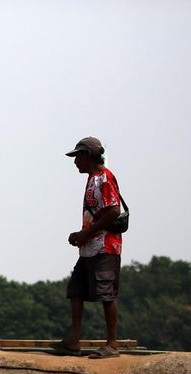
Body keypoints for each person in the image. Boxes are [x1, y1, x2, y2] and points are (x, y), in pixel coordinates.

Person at [51, 136, 126, 359]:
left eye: (78, 156)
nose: (75, 162)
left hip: (105, 246)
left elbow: (113, 210)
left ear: (88, 156)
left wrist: (86, 233)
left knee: (107, 294)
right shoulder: (93, 178)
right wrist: (82, 235)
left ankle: (112, 344)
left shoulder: (104, 178)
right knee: (76, 290)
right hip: (90, 246)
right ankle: (74, 340)